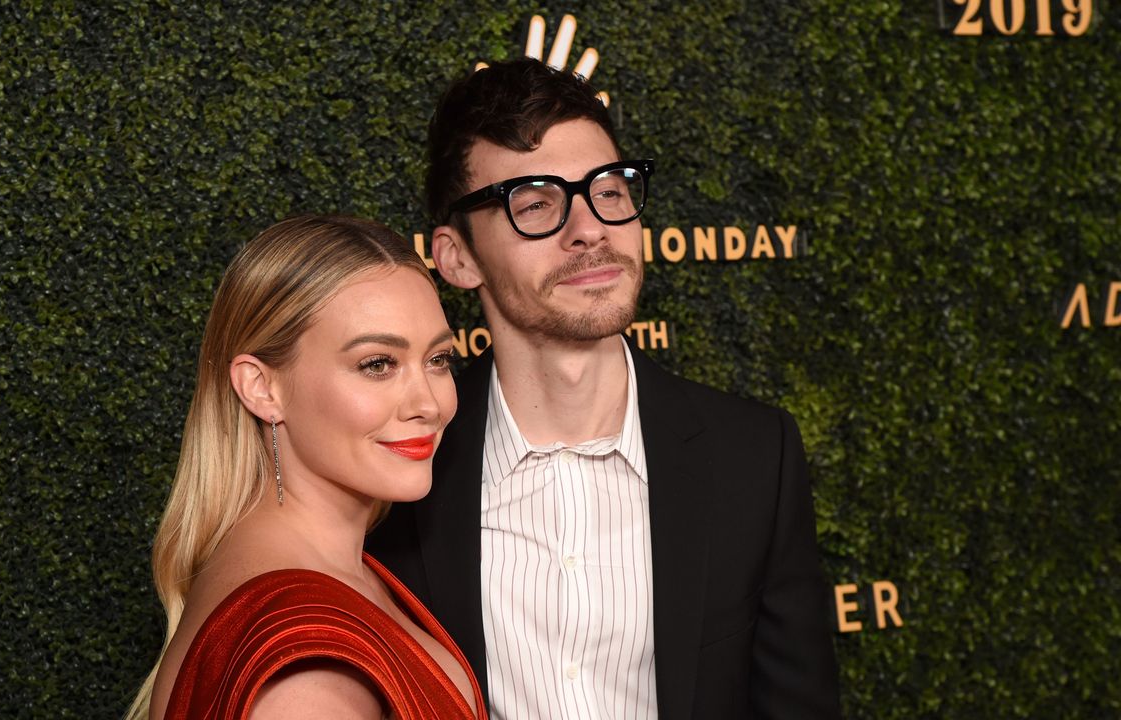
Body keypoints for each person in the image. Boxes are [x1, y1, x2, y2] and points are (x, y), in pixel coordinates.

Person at [366, 59, 841, 719]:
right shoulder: (400, 472)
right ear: (457, 257)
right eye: (536, 203)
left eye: (609, 191)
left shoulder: (754, 457)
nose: (589, 228)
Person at [127, 215, 487, 720]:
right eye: (377, 364)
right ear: (261, 387)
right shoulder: (306, 675)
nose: (428, 403)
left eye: (438, 359)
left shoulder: (322, 569)